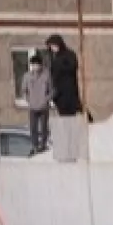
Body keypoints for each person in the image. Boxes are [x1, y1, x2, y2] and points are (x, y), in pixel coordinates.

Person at [45, 34, 84, 163]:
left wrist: (60, 66)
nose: (53, 48)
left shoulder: (68, 55)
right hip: (59, 96)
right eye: (51, 47)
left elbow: (73, 66)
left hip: (70, 94)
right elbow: (52, 75)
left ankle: (73, 149)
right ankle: (66, 148)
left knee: (71, 123)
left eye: (54, 46)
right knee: (63, 124)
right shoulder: (53, 58)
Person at [22, 51, 52, 153]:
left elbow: (52, 90)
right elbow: (23, 90)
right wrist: (28, 100)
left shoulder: (46, 75)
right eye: (33, 65)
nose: (35, 67)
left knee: (44, 126)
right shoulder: (27, 76)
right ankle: (35, 145)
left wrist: (46, 99)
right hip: (32, 106)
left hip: (43, 106)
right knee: (33, 127)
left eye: (37, 64)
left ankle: (43, 144)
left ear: (41, 65)